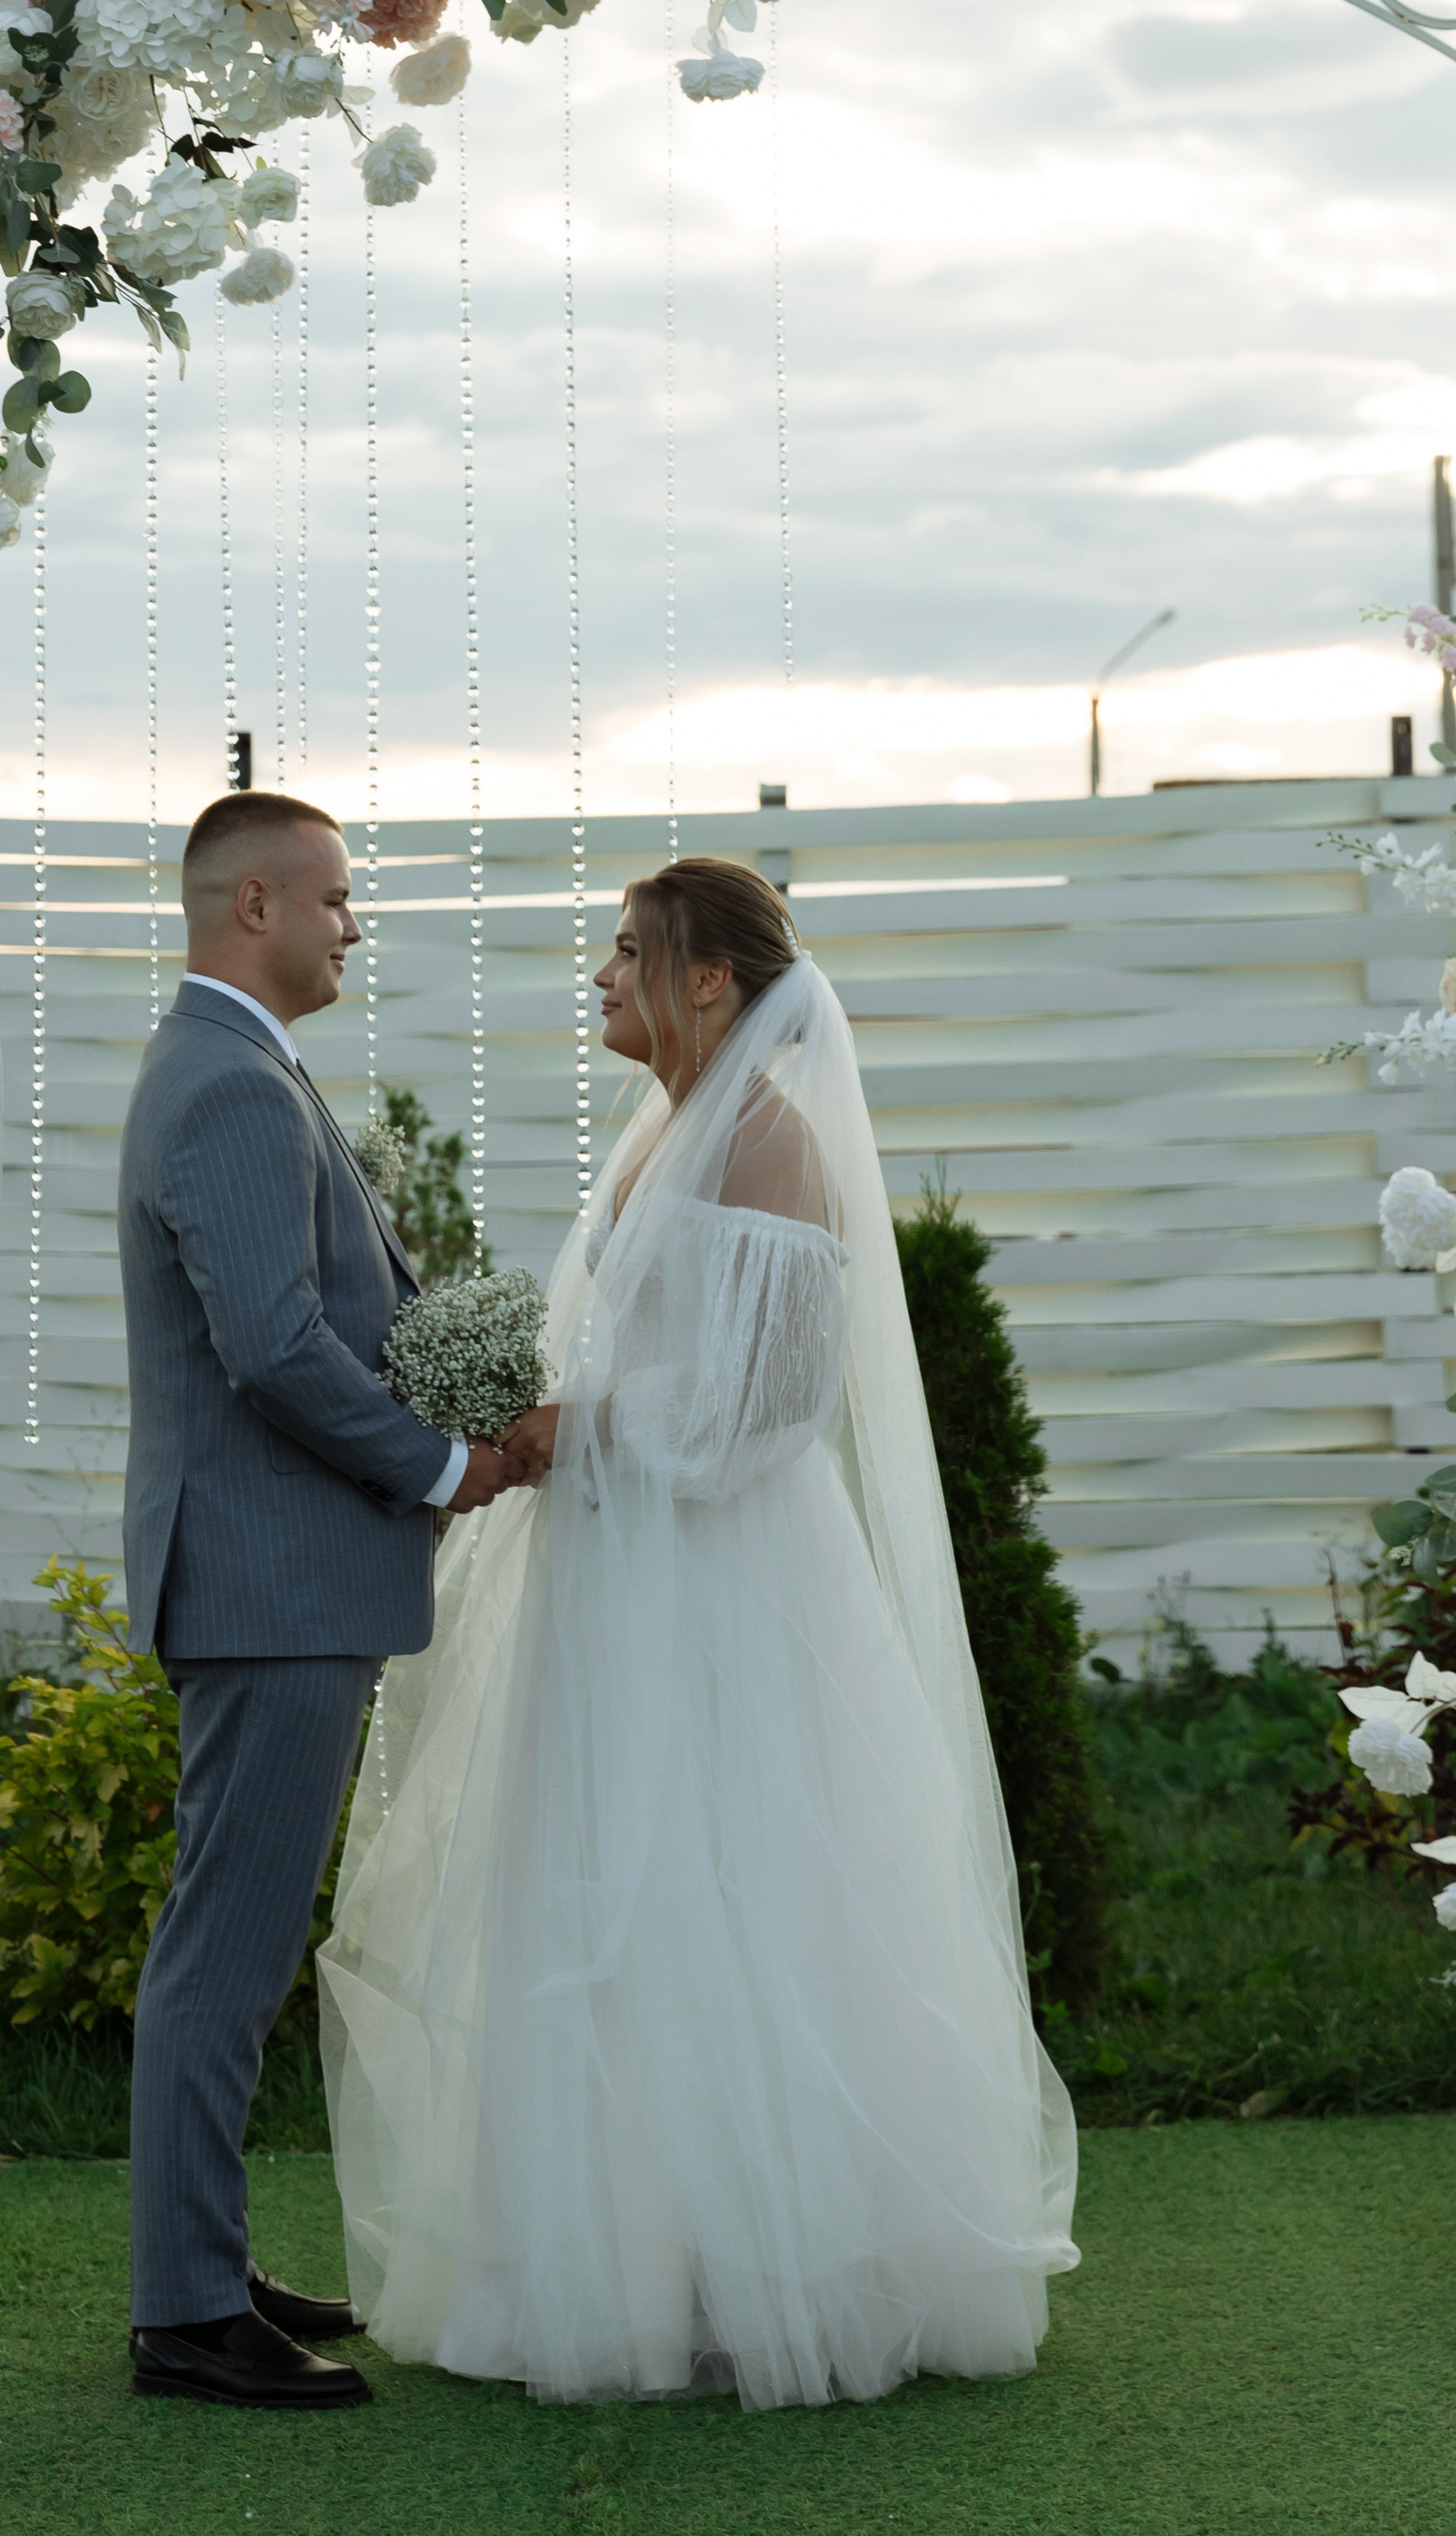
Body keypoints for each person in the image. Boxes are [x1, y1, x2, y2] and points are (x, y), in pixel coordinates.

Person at [319, 856, 1079, 2410]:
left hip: (727, 1592)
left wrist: (580, 1432)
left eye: (625, 953)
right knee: (605, 1897)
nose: (599, 976)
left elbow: (775, 1405)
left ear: (712, 981)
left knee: (734, 1890)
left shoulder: (773, 1145)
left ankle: (781, 2269)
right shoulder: (662, 1128)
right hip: (615, 1580)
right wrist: (531, 1422)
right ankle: (623, 2263)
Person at [119, 790, 536, 2411]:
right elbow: (277, 1348)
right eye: (338, 899)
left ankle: (201, 2268)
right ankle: (185, 2318)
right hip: (270, 1581)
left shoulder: (238, 1066)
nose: (353, 925)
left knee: (225, 1944)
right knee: (223, 1954)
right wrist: (442, 1464)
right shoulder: (227, 1080)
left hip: (275, 1579)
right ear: (254, 910)